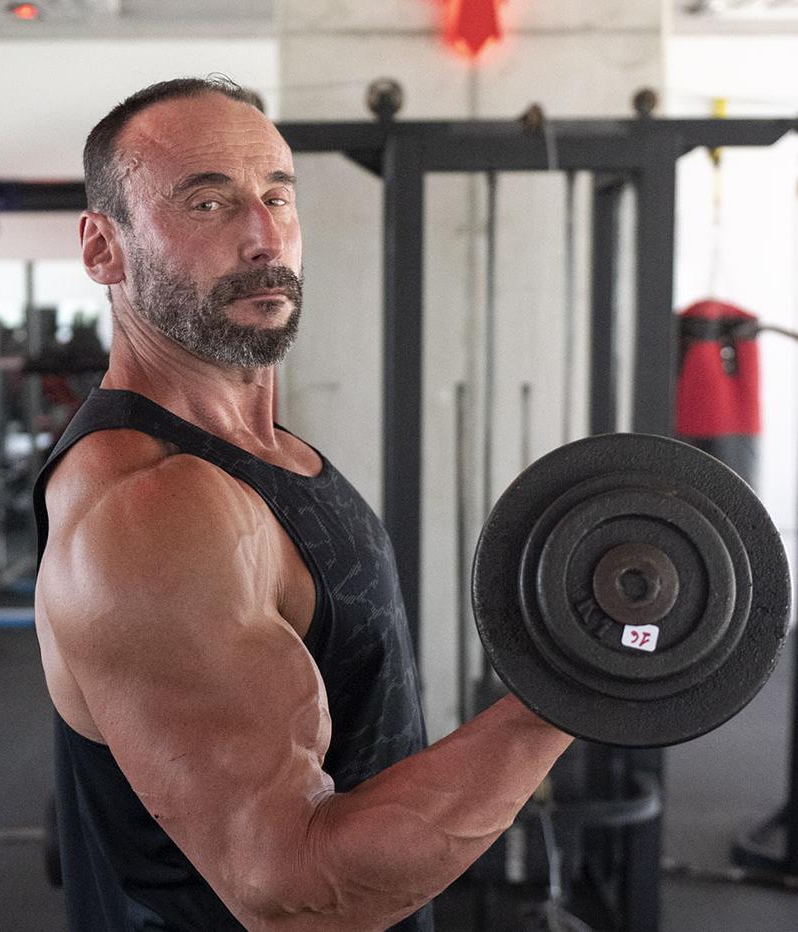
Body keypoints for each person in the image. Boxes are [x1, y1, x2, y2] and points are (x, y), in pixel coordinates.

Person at [33, 76, 573, 932]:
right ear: (104, 250)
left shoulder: (265, 453)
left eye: (277, 196)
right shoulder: (155, 511)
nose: (262, 236)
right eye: (207, 203)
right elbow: (292, 890)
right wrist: (565, 694)